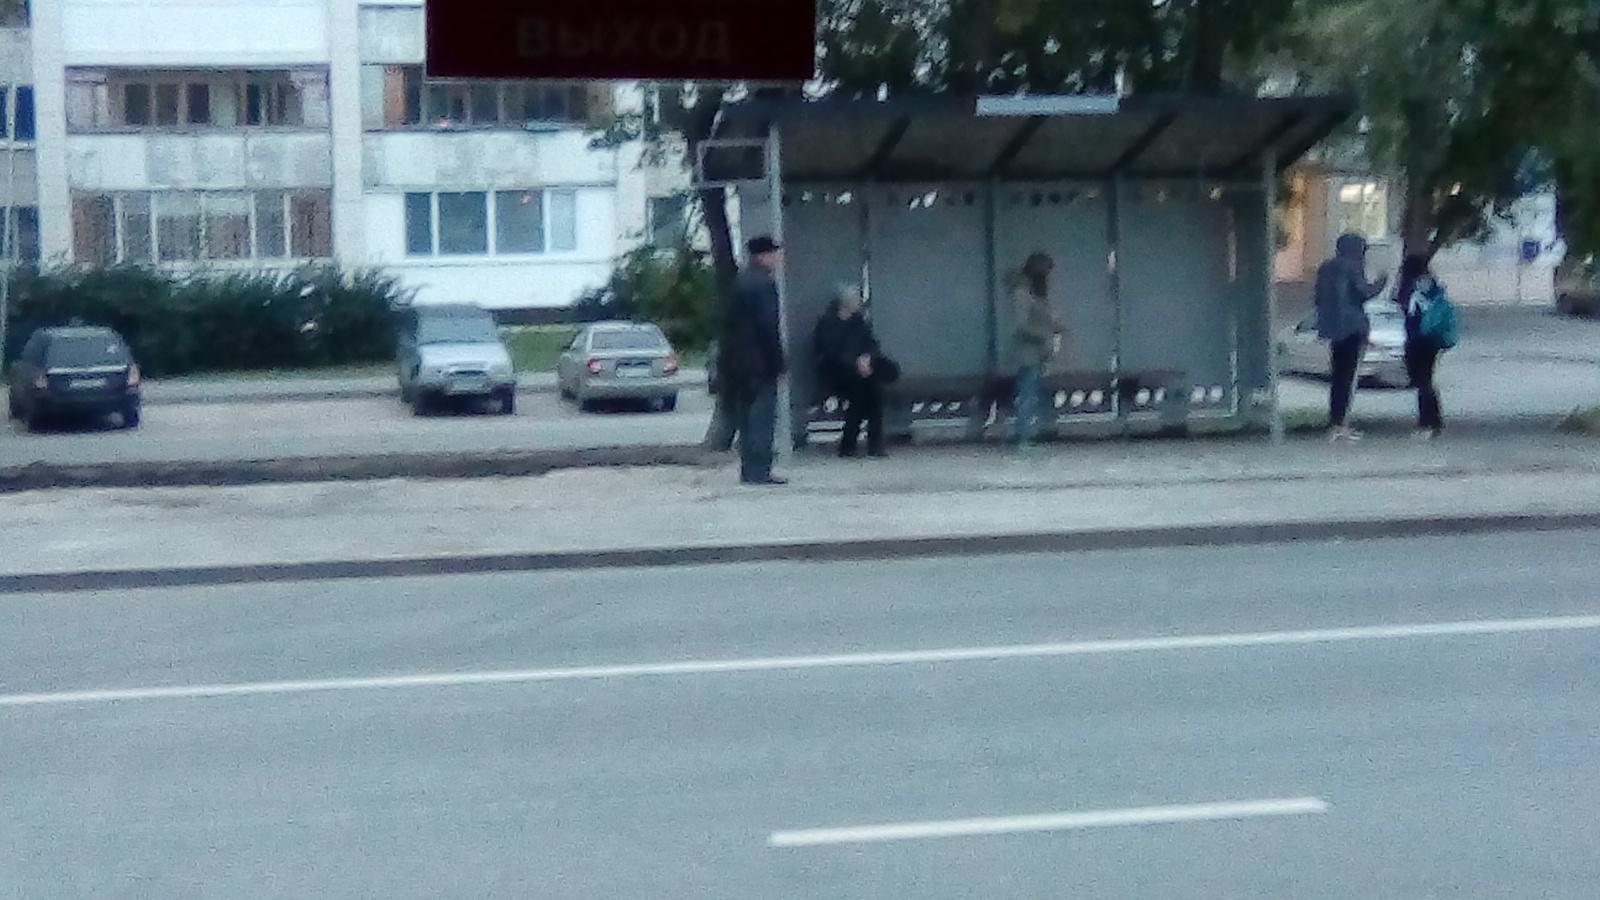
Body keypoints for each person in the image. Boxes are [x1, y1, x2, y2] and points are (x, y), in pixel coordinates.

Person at [719, 235, 787, 485]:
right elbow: (768, 326)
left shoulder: (740, 282)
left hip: (737, 363)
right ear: (763, 255)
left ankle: (748, 469)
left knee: (746, 418)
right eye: (774, 253)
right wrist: (778, 361)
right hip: (760, 363)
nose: (778, 258)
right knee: (762, 418)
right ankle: (760, 470)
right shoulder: (764, 284)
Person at [1314, 233, 1389, 442]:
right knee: (1348, 378)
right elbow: (1364, 292)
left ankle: (1334, 423)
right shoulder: (1352, 266)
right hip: (1353, 328)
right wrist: (1382, 282)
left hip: (1332, 328)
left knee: (1337, 377)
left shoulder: (1325, 268)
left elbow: (1318, 298)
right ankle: (1341, 424)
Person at [813, 284, 894, 458]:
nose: (859, 303)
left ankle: (860, 445)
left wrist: (866, 358)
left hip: (860, 372)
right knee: (862, 393)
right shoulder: (828, 323)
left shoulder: (858, 321)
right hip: (837, 372)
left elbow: (872, 344)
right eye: (856, 300)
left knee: (872, 392)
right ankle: (860, 445)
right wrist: (855, 363)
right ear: (846, 302)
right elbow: (829, 353)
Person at [1009, 252, 1064, 449]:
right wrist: (1045, 334)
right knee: (1027, 394)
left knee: (1031, 394)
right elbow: (1022, 325)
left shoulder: (1034, 293)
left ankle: (1028, 434)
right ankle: (1022, 436)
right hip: (1029, 353)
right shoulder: (1022, 293)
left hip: (1038, 353)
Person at [1395, 254, 1447, 439]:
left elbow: (1403, 306)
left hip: (1417, 338)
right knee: (1427, 380)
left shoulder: (1411, 286)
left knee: (1422, 381)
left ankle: (1427, 423)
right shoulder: (1432, 284)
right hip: (1433, 337)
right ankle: (1434, 420)